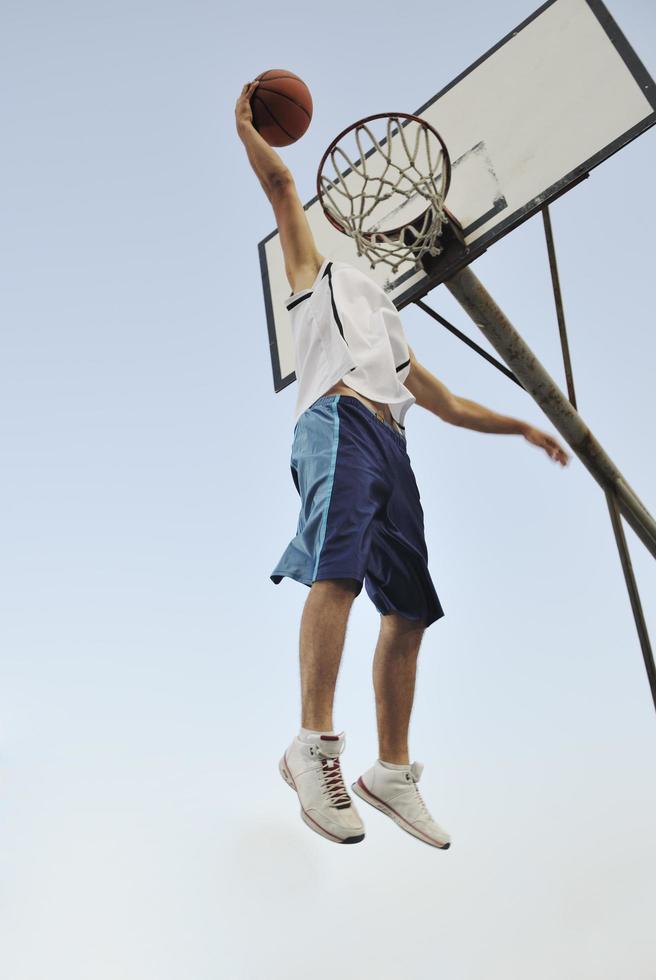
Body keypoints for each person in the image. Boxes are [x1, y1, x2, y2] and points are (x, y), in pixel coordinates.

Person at [235, 81, 570, 849]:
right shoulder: (313, 280)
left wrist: (522, 424)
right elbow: (283, 186)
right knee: (339, 569)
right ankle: (311, 744)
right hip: (338, 419)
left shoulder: (388, 322)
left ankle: (391, 771)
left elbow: (447, 402)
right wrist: (244, 125)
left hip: (393, 445)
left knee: (411, 608)